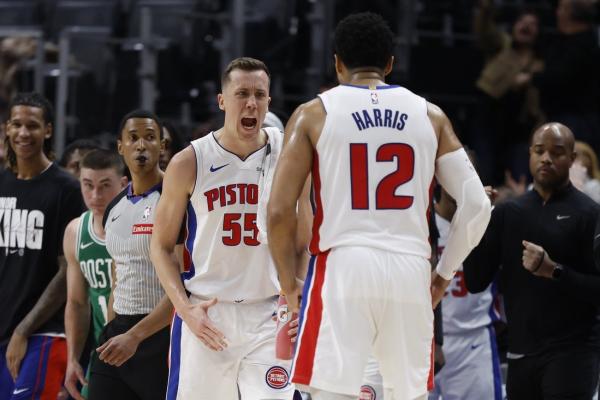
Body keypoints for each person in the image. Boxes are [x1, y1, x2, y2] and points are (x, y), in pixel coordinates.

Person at [266, 12, 491, 400]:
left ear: (337, 63)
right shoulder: (431, 116)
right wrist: (442, 276)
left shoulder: (313, 114)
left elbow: (279, 211)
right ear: (390, 63)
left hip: (343, 266)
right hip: (410, 269)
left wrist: (288, 287)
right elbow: (477, 205)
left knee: (330, 393)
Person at [150, 57, 295, 399]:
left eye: (259, 94)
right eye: (242, 93)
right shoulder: (189, 161)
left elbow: (301, 235)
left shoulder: (288, 152)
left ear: (269, 101)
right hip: (207, 312)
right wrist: (185, 309)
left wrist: (297, 296)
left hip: (269, 311)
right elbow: (160, 246)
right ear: (222, 101)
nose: (251, 103)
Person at [464, 122, 600, 399]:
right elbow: (475, 281)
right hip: (521, 354)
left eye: (557, 152)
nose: (546, 158)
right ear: (530, 154)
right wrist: (473, 221)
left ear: (572, 159)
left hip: (572, 353)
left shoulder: (590, 214)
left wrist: (554, 271)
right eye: (539, 151)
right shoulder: (507, 213)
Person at [0, 92, 86, 399]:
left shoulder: (67, 189)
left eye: (32, 125)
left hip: (44, 332)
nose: (23, 133)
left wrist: (23, 329)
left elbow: (68, 271)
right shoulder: (2, 183)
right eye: (17, 124)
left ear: (47, 130)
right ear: (7, 128)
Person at [87, 110, 173, 400]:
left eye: (150, 137)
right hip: (119, 332)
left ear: (162, 146)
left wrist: (136, 336)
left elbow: (185, 282)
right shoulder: (114, 208)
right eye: (133, 138)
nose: (141, 146)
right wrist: (113, 328)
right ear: (120, 146)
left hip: (161, 334)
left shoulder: (177, 199)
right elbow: (117, 276)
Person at [63, 149, 128, 399]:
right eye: (88, 185)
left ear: (123, 184)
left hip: (141, 346)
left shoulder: (137, 227)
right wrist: (72, 359)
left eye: (105, 186)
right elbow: (77, 303)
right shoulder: (75, 231)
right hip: (103, 352)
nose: (95, 195)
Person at [429, 183, 503, 400]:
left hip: (473, 341)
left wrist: (483, 212)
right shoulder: (421, 221)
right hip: (424, 341)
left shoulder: (487, 220)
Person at [472, 0, 543, 184]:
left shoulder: (539, 62)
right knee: (485, 175)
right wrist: (486, 8)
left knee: (518, 178)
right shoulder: (502, 44)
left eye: (532, 24)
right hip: (490, 121)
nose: (526, 26)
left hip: (519, 129)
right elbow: (483, 31)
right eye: (522, 22)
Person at [531, 0, 600, 153]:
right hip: (558, 117)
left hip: (575, 121)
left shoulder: (583, 46)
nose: (557, 12)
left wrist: (533, 77)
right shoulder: (562, 41)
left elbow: (559, 78)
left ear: (570, 14)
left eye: (561, 8)